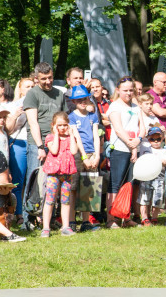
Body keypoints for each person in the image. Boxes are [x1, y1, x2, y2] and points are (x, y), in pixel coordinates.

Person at [23, 62, 67, 222]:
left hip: (57, 143)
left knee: (54, 180)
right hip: (38, 144)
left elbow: (63, 120)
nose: (48, 81)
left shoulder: (59, 94)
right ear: (36, 78)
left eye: (50, 78)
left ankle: (50, 218)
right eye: (43, 79)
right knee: (34, 180)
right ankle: (28, 218)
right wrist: (40, 146)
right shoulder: (32, 94)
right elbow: (33, 122)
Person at [106, 76, 145, 229]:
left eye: (131, 90)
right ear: (118, 91)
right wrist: (131, 145)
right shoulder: (115, 107)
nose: (128, 93)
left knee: (129, 184)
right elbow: (118, 129)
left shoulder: (136, 107)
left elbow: (142, 127)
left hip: (134, 148)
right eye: (125, 90)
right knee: (116, 185)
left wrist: (139, 140)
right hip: (121, 150)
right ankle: (111, 219)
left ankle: (125, 217)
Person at [67, 84, 101, 232]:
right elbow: (77, 138)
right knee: (74, 188)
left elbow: (96, 135)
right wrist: (84, 156)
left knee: (90, 187)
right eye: (79, 99)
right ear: (74, 101)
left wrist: (97, 155)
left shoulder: (93, 115)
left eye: (85, 98)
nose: (83, 101)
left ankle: (86, 222)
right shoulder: (71, 117)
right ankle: (71, 221)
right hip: (78, 155)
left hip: (92, 153)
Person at [40, 112, 80, 237]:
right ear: (53, 126)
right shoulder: (50, 138)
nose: (62, 128)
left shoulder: (70, 138)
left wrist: (72, 135)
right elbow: (54, 150)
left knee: (65, 200)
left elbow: (74, 151)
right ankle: (46, 227)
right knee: (50, 199)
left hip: (67, 174)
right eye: (59, 125)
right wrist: (56, 134)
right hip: (53, 173)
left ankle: (66, 226)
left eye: (65, 125)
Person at [5, 77, 34, 227]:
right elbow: (9, 130)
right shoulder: (14, 105)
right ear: (20, 89)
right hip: (19, 143)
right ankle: (19, 214)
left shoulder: (37, 102)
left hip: (33, 144)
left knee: (33, 179)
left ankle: (32, 213)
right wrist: (17, 114)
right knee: (18, 181)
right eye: (27, 86)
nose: (30, 88)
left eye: (32, 86)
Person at [137, 127, 166, 226]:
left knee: (158, 199)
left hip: (159, 179)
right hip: (146, 177)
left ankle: (154, 217)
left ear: (162, 139)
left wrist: (159, 161)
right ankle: (145, 218)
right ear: (148, 139)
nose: (155, 141)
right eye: (152, 139)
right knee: (144, 198)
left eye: (158, 139)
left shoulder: (164, 150)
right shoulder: (145, 148)